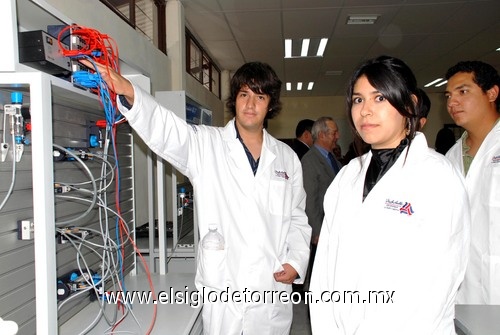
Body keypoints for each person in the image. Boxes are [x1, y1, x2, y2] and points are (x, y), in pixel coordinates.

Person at [84, 60, 312, 334]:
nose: (250, 104)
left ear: (270, 104)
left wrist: (296, 261)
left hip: (270, 287)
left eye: (259, 97)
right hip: (223, 287)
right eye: (244, 95)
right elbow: (167, 130)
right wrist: (131, 92)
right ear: (234, 100)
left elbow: (298, 217)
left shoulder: (287, 158)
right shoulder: (206, 144)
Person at [309, 55, 470, 335]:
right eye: (358, 100)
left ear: (409, 105)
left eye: (379, 98)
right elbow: (324, 269)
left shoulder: (437, 176)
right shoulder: (347, 177)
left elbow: (441, 279)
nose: (365, 111)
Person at [444, 60, 500, 304]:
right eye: (448, 95)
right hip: (462, 288)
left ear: (492, 93)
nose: (452, 102)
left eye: (463, 92)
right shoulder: (450, 157)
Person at [300, 116, 341, 290]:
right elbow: (309, 198)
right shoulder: (310, 161)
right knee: (320, 280)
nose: (337, 136)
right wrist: (316, 231)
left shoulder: (333, 159)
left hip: (334, 228)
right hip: (321, 231)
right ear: (322, 135)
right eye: (334, 132)